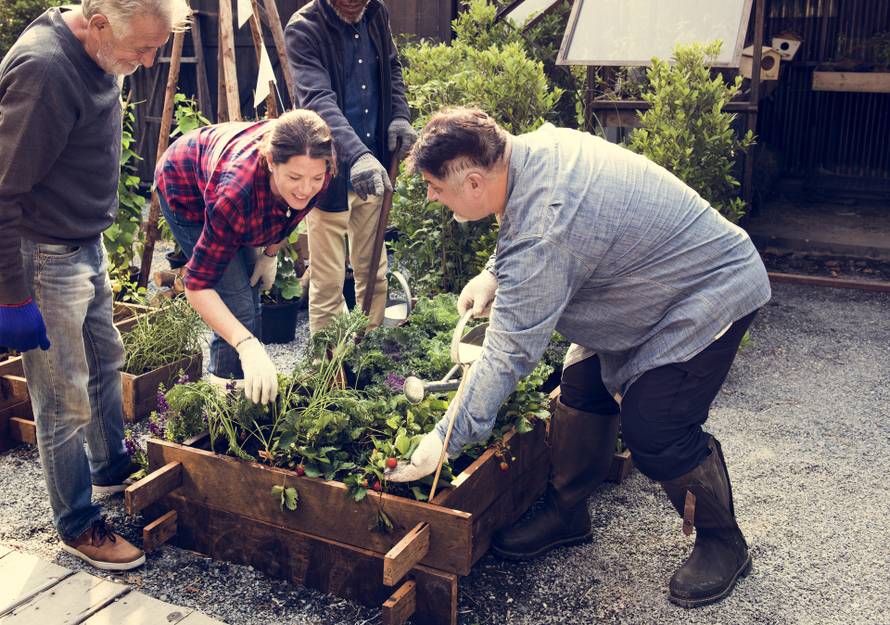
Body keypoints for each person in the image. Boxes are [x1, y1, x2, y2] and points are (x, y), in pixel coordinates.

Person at [388, 107, 772, 608]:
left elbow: (508, 353)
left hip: (706, 290)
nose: (432, 196)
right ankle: (568, 511)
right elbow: (524, 219)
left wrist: (444, 440)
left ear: (476, 182)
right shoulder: (531, 151)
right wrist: (494, 272)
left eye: (436, 187)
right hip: (643, 285)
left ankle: (724, 542)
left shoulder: (546, 231)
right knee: (581, 385)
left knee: (655, 430)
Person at [0, 0, 189, 571]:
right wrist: (12, 295)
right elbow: (3, 190)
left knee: (108, 360)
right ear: (101, 23)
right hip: (45, 256)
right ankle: (77, 524)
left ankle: (110, 469)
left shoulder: (104, 53)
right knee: (62, 399)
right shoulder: (45, 71)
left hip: (86, 243)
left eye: (157, 47)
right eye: (143, 48)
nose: (150, 61)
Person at [154, 109, 336, 404]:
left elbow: (291, 212)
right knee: (238, 306)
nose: (306, 188)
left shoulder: (317, 169)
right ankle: (223, 402)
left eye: (315, 177)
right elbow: (198, 286)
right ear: (271, 162)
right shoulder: (235, 195)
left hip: (226, 181)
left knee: (251, 297)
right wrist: (247, 345)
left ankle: (248, 390)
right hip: (184, 186)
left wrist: (270, 253)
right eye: (295, 177)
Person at [284, 0, 416, 334]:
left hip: (374, 172)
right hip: (327, 177)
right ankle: (328, 368)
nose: (355, 3)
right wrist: (357, 155)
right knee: (328, 284)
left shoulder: (376, 13)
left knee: (375, 273)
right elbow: (317, 101)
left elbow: (391, 66)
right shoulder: (304, 28)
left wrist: (399, 114)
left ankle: (367, 356)